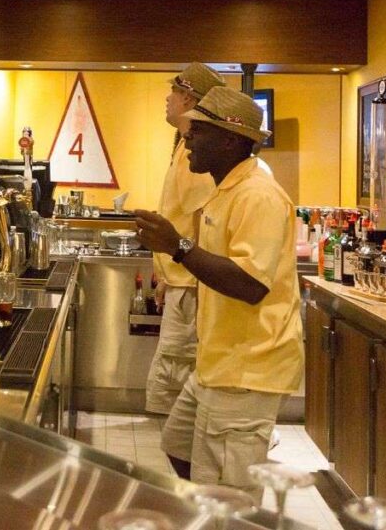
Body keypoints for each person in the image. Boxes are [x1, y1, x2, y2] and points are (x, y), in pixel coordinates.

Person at [133, 86, 304, 497]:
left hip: (248, 367)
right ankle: (202, 512)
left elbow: (250, 284)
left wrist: (178, 246)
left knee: (232, 494)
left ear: (230, 139)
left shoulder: (257, 196)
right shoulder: (223, 190)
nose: (187, 139)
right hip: (218, 362)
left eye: (199, 132)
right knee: (177, 443)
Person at [145, 63, 225, 417]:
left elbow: (201, 222)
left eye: (173, 92)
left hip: (191, 286)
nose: (167, 99)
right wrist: (164, 274)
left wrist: (181, 270)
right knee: (172, 376)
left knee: (175, 379)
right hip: (182, 279)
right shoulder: (183, 144)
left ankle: (179, 463)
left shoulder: (197, 153)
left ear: (188, 97)